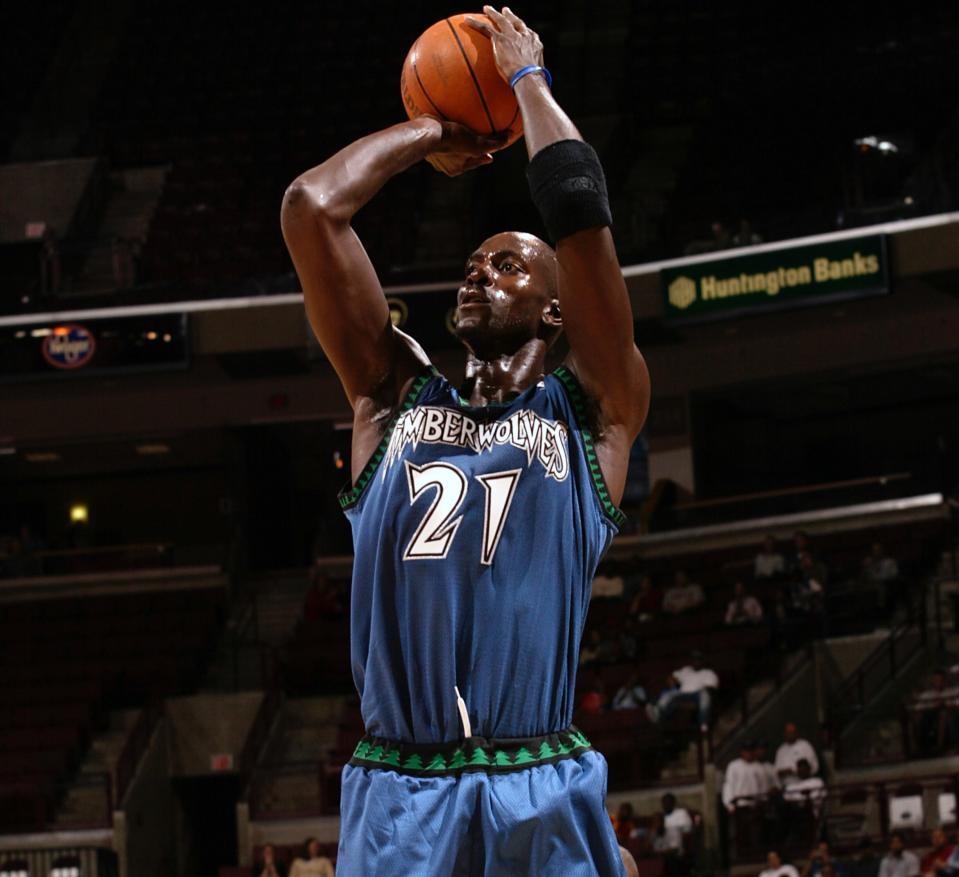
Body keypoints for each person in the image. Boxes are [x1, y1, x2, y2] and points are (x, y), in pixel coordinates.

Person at [280, 7, 650, 874]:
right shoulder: (389, 396)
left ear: (556, 311)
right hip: (401, 787)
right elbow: (311, 208)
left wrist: (525, 85)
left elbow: (580, 211)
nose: (478, 271)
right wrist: (433, 128)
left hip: (540, 772)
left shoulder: (594, 409)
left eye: (508, 263)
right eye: (474, 261)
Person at [647, 651, 719, 732]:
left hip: (696, 695)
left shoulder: (708, 673)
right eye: (694, 659)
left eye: (698, 660)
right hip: (682, 694)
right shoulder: (686, 669)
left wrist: (701, 691)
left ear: (702, 661)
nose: (696, 662)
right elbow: (671, 677)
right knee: (669, 694)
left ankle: (703, 724)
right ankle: (658, 711)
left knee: (704, 695)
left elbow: (711, 689)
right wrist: (673, 685)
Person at [912, 669, 959, 754]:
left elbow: (955, 705)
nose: (938, 682)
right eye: (936, 680)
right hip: (930, 716)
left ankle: (941, 746)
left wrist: (945, 704)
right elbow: (918, 708)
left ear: (945, 680)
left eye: (940, 680)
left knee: (944, 714)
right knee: (919, 717)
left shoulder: (952, 692)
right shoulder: (927, 694)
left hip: (948, 716)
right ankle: (921, 746)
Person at [722, 743, 766, 813]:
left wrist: (763, 802)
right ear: (742, 752)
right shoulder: (734, 766)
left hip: (755, 804)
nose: (748, 753)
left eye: (750, 751)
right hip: (739, 804)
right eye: (746, 751)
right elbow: (729, 785)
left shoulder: (759, 767)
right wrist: (728, 804)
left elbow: (763, 787)